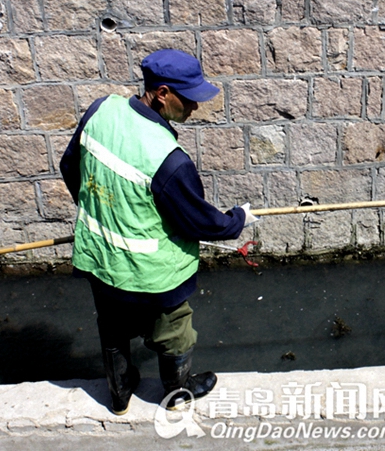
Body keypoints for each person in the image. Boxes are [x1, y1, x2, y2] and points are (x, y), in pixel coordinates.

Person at [60, 48, 257, 415]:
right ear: (162, 93)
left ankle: (119, 396)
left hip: (101, 260)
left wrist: (100, 210)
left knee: (114, 329)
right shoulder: (168, 159)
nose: (195, 108)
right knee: (173, 332)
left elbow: (70, 165)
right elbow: (198, 221)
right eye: (189, 100)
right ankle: (178, 393)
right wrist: (238, 219)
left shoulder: (101, 110)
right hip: (153, 275)